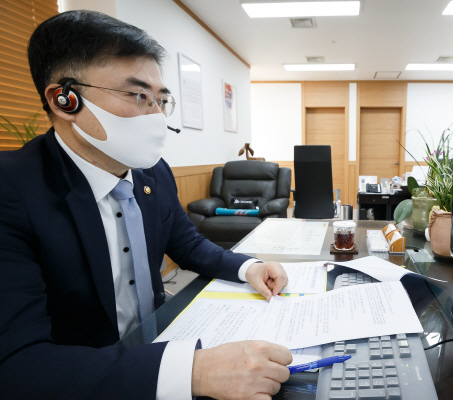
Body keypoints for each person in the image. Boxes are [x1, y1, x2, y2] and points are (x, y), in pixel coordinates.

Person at [0, 11, 292, 400]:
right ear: (64, 100)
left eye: (161, 100)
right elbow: (19, 367)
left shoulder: (152, 173)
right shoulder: (12, 190)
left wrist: (248, 266)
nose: (157, 117)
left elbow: (186, 244)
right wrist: (191, 372)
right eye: (139, 96)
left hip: (159, 334)